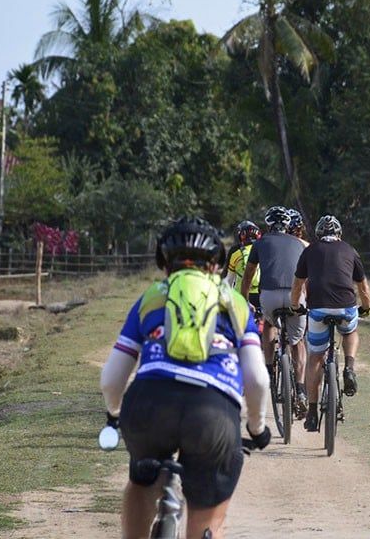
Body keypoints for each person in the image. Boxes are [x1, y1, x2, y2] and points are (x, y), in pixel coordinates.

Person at [100, 217, 271, 539]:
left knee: (141, 480)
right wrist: (256, 428)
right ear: (216, 266)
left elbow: (112, 377)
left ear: (165, 264)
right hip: (213, 412)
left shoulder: (151, 297)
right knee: (208, 520)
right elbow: (258, 379)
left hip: (149, 403)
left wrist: (114, 414)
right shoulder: (235, 303)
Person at [289, 215, 370, 432]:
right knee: (350, 331)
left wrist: (295, 306)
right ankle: (350, 368)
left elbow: (298, 284)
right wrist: (366, 307)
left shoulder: (309, 250)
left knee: (315, 357)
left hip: (317, 309)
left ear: (317, 234)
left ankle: (313, 414)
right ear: (339, 234)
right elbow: (363, 287)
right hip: (346, 306)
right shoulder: (350, 250)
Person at [240, 205, 308, 414]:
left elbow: (249, 273)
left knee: (269, 323)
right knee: (297, 341)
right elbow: (306, 278)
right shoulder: (300, 243)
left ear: (268, 225)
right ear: (288, 225)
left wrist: (244, 299)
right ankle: (300, 389)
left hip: (269, 295)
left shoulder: (260, 243)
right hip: (294, 295)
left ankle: (269, 369)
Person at [225, 220, 262, 313]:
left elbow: (229, 279)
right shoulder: (264, 252)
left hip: (240, 296)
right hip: (261, 295)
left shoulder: (236, 254)